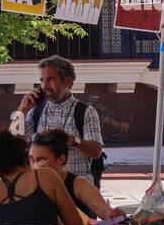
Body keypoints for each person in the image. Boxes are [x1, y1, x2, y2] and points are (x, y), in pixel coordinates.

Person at [18, 55, 104, 185]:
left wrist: (72, 140)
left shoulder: (85, 112)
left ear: (68, 82)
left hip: (76, 189)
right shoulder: (35, 112)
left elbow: (96, 152)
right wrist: (22, 109)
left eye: (51, 79)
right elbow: (13, 142)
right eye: (42, 80)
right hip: (43, 187)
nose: (44, 86)